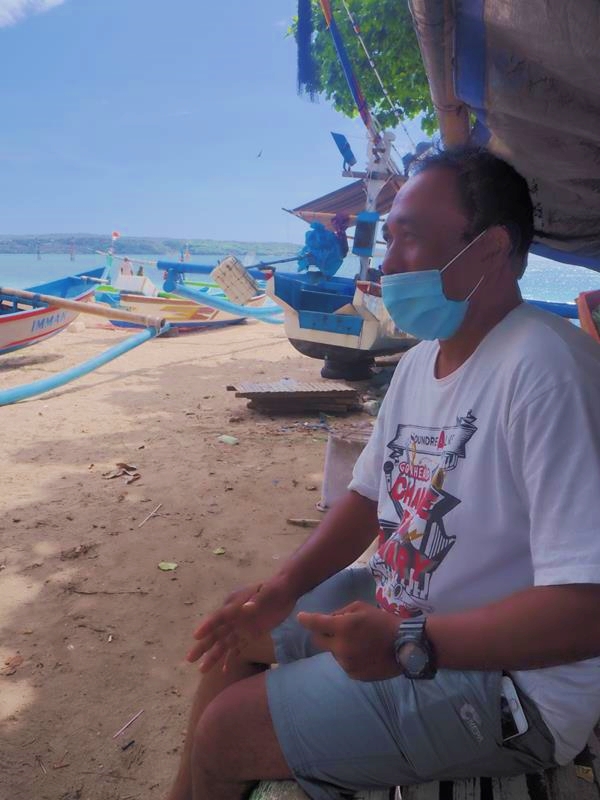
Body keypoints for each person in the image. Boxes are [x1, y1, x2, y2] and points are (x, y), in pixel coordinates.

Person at [166, 148, 600, 800]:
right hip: (410, 605)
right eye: (387, 235)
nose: (387, 263)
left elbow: (586, 613)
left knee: (226, 732)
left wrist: (411, 643)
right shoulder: (421, 364)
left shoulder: (547, 370)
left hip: (518, 686)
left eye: (410, 237)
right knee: (239, 637)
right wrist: (285, 584)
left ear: (489, 249)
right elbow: (369, 496)